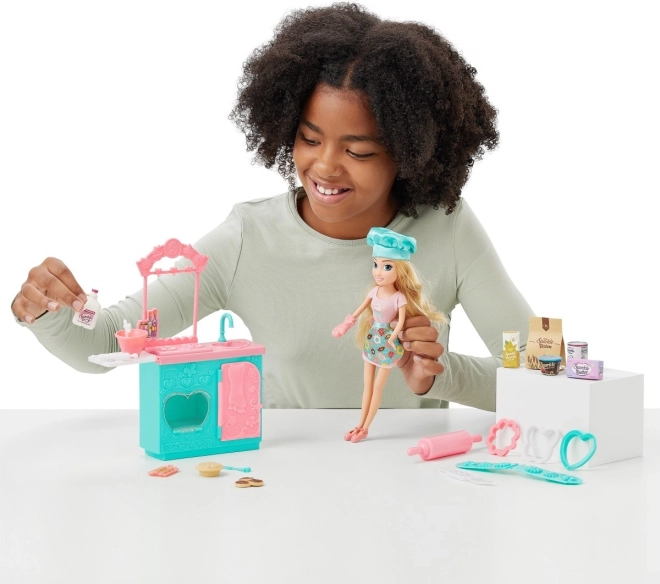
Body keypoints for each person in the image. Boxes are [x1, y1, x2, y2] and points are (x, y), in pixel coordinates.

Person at [10, 3, 533, 415]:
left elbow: (537, 376)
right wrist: (48, 310)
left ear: (410, 152)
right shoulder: (247, 238)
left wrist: (440, 374)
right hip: (279, 490)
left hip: (414, 490)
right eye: (310, 139)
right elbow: (107, 341)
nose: (324, 167)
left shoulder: (447, 230)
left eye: (357, 152)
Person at [332, 227, 446, 442]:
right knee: (367, 385)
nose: (378, 272)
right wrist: (345, 325)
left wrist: (393, 337)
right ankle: (358, 425)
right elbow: (358, 311)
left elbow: (400, 321)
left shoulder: (399, 298)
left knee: (378, 387)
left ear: (400, 271)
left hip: (388, 346)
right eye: (375, 264)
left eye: (386, 266)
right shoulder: (373, 292)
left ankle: (365, 428)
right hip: (372, 341)